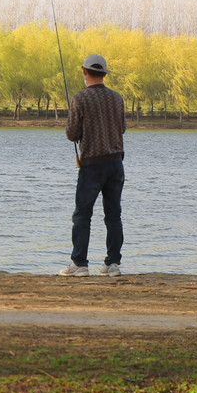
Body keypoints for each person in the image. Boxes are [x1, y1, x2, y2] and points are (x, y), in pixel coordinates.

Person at [61, 54, 126, 277]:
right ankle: (113, 264)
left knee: (82, 215)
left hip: (91, 165)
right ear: (104, 74)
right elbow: (123, 128)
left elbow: (72, 134)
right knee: (113, 215)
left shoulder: (80, 99)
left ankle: (80, 264)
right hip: (116, 163)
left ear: (84, 72)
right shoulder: (117, 98)